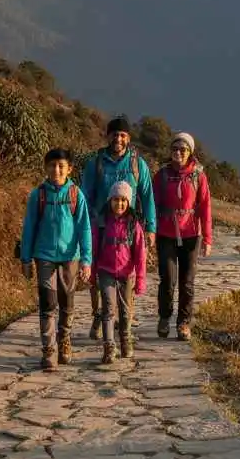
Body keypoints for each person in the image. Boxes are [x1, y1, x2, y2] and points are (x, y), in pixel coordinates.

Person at [80, 116, 156, 339]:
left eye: (123, 135)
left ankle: (125, 321)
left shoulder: (137, 164)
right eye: (114, 134)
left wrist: (150, 227)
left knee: (127, 275)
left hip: (128, 229)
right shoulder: (96, 163)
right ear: (107, 136)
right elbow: (85, 195)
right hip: (101, 227)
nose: (118, 139)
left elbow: (147, 196)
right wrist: (83, 225)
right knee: (97, 275)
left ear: (128, 138)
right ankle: (99, 314)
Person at [20, 148, 92, 371]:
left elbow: (84, 228)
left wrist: (86, 259)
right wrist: (25, 258)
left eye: (61, 166)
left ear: (69, 169)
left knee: (67, 302)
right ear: (46, 168)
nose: (57, 170)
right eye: (52, 165)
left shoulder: (75, 195)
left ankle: (64, 341)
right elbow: (29, 228)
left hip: (70, 257)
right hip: (44, 257)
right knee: (47, 301)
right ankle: (49, 350)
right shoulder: (38, 195)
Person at [153, 131, 212, 340]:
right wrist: (150, 230)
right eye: (175, 149)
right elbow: (153, 204)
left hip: (190, 235)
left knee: (187, 281)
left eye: (183, 149)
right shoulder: (162, 175)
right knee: (167, 279)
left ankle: (184, 323)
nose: (178, 152)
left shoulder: (198, 175)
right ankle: (164, 317)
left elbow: (205, 207)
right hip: (166, 233)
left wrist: (207, 238)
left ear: (190, 152)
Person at [90, 180, 147, 363]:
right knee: (108, 308)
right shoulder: (101, 223)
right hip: (105, 271)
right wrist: (92, 272)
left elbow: (140, 255)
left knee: (125, 311)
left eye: (123, 200)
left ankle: (125, 340)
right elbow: (94, 249)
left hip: (126, 274)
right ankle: (109, 346)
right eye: (116, 199)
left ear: (128, 202)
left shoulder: (134, 226)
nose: (119, 204)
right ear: (109, 200)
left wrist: (140, 279)